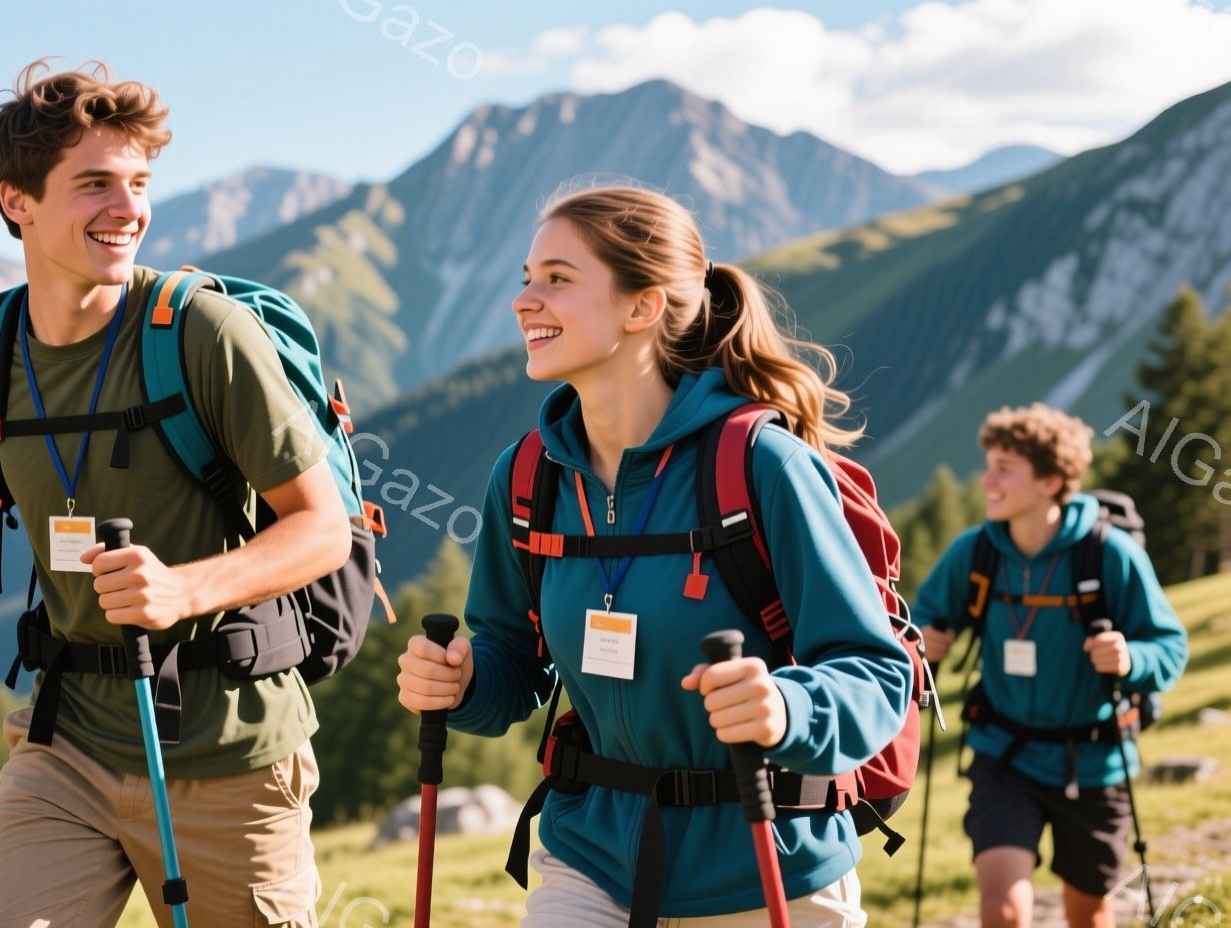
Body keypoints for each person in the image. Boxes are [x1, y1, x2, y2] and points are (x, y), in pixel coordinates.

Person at [0, 60, 350, 927]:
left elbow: (325, 530)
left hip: (228, 754)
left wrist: (184, 589)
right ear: (16, 200)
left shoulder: (203, 334)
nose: (128, 208)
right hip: (68, 746)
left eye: (138, 183)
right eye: (95, 183)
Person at [396, 183, 913, 926]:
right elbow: (513, 662)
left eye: (557, 280)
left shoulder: (762, 465)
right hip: (592, 857)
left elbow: (875, 673)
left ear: (643, 307)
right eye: (526, 279)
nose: (525, 301)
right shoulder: (527, 477)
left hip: (767, 863)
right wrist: (463, 679)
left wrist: (787, 704)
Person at [916, 404, 1187, 928]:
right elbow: (919, 620)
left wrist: (1132, 657)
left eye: (1004, 468)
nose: (987, 479)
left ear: (1052, 481)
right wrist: (923, 643)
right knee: (1002, 911)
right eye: (989, 463)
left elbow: (1170, 647)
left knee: (1088, 914)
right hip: (1004, 756)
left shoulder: (1110, 555)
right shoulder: (974, 553)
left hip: (1095, 763)